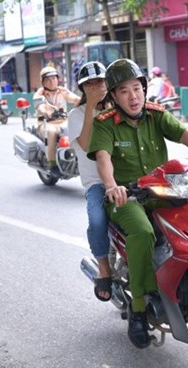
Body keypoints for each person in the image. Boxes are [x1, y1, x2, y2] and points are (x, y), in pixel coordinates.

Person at [87, 58, 188, 349]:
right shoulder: (104, 124)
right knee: (143, 232)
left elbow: (184, 135)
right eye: (125, 91)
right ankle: (139, 308)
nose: (133, 96)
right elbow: (103, 160)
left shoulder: (156, 115)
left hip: (164, 191)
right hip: (127, 197)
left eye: (137, 88)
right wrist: (113, 187)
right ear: (114, 96)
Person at [67, 61, 112, 301]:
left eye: (100, 81)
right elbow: (85, 144)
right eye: (90, 84)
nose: (96, 86)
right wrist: (91, 108)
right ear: (83, 88)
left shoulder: (117, 105)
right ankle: (103, 266)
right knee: (96, 220)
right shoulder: (75, 115)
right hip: (97, 182)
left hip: (124, 176)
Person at [33, 66, 80, 178]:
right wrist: (46, 111)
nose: (52, 81)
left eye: (54, 78)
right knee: (51, 132)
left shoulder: (62, 91)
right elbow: (39, 106)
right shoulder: (40, 93)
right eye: (48, 79)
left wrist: (85, 103)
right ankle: (52, 164)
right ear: (43, 81)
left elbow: (75, 99)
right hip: (46, 123)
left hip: (63, 121)